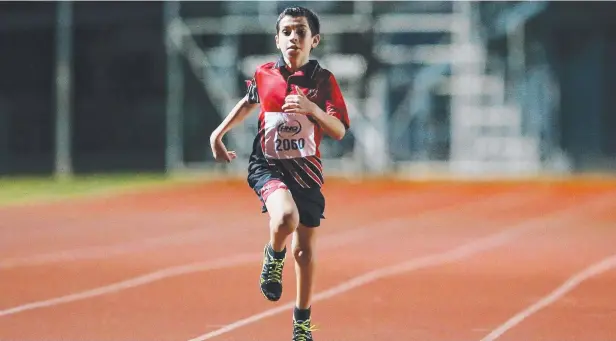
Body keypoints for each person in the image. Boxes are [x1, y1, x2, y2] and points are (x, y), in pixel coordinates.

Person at [209, 6, 350, 341]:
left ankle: (301, 320)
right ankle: (273, 254)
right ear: (277, 38)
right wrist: (218, 133)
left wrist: (312, 109)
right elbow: (248, 102)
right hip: (268, 164)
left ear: (314, 39)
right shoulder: (265, 73)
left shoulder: (322, 80)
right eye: (286, 32)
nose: (293, 38)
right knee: (285, 217)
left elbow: (339, 130)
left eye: (300, 31)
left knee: (303, 251)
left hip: (307, 172)